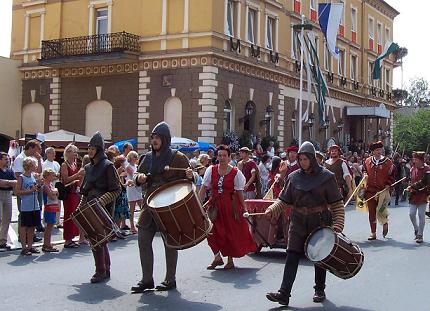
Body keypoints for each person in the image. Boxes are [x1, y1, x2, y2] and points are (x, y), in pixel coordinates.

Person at [265, 141, 345, 307]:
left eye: (305, 159)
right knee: (292, 255)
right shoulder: (293, 177)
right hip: (298, 220)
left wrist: (338, 225)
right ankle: (284, 293)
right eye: (300, 159)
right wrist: (272, 209)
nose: (302, 162)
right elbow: (284, 200)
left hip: (320, 220)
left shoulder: (326, 177)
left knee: (319, 256)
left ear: (312, 158)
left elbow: (337, 204)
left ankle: (319, 289)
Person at [131, 122, 193, 293]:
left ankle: (170, 279)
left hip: (169, 206)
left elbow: (190, 176)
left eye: (158, 137)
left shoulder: (178, 157)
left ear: (165, 139)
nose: (154, 140)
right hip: (149, 203)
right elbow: (137, 174)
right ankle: (147, 279)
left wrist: (191, 175)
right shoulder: (147, 157)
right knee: (143, 239)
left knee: (170, 242)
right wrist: (140, 177)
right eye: (153, 137)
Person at [199, 145, 256, 269]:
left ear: (229, 157)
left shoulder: (236, 173)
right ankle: (217, 257)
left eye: (224, 155)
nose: (222, 158)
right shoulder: (211, 170)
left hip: (230, 206)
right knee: (210, 231)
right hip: (214, 205)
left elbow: (240, 192)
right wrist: (198, 204)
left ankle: (230, 260)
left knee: (229, 232)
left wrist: (244, 208)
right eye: (219, 155)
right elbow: (204, 188)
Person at [79, 132, 121, 283]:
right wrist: (80, 208)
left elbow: (116, 189)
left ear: (99, 149)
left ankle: (101, 270)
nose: (90, 151)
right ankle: (104, 269)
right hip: (89, 206)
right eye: (88, 148)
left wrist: (101, 202)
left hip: (102, 207)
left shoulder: (108, 166)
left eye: (92, 148)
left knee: (99, 239)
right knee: (95, 239)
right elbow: (85, 190)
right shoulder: (89, 167)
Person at [362, 141, 395, 240]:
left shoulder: (388, 162)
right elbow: (364, 170)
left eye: (380, 150)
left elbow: (392, 175)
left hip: (383, 191)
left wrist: (388, 184)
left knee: (381, 210)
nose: (379, 152)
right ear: (372, 151)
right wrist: (364, 174)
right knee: (371, 212)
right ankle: (373, 232)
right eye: (376, 150)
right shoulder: (367, 161)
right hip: (370, 191)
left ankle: (384, 223)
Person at [15, 157, 42, 255]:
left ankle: (30, 246)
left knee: (32, 227)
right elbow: (17, 192)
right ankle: (24, 247)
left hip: (35, 205)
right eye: (34, 165)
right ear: (30, 166)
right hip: (26, 206)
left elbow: (35, 188)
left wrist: (38, 186)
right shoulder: (21, 177)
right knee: (24, 226)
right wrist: (30, 191)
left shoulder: (33, 176)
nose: (36, 167)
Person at [60, 144, 82, 248]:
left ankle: (72, 237)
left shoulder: (74, 164)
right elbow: (65, 180)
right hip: (68, 194)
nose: (76, 155)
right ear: (68, 153)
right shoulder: (64, 165)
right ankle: (67, 239)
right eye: (74, 152)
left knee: (74, 215)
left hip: (75, 192)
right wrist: (77, 175)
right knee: (68, 215)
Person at [406, 152, 430, 243]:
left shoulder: (427, 169)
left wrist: (412, 186)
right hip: (413, 195)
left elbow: (424, 182)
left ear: (420, 160)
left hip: (423, 194)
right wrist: (407, 182)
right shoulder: (412, 169)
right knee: (411, 214)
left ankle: (420, 235)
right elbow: (410, 179)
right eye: (413, 159)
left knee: (421, 215)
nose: (414, 161)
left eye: (415, 159)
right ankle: (416, 229)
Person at [0, 152, 17, 250]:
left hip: (8, 195)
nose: (8, 161)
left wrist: (6, 182)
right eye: (5, 159)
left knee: (7, 218)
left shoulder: (10, 171)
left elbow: (15, 182)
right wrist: (8, 183)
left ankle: (3, 241)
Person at [41, 168, 60, 252]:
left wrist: (55, 192)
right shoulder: (45, 185)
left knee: (51, 226)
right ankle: (46, 244)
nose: (54, 176)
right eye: (52, 175)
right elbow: (51, 196)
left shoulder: (51, 184)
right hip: (49, 207)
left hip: (53, 206)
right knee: (49, 226)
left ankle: (47, 243)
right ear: (47, 176)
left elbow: (56, 194)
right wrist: (55, 192)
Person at [42, 147, 61, 226]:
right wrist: (54, 177)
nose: (54, 154)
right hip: (48, 186)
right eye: (52, 152)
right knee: (48, 204)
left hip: (56, 185)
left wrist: (58, 176)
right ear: (47, 154)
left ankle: (57, 221)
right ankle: (46, 222)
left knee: (58, 203)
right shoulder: (44, 164)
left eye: (54, 152)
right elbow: (45, 176)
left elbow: (59, 173)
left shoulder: (56, 163)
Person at [125, 151, 142, 234]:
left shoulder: (137, 166)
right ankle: (132, 226)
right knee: (132, 208)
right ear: (130, 158)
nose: (136, 158)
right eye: (134, 156)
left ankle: (141, 224)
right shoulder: (128, 167)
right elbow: (134, 176)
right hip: (131, 188)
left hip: (137, 188)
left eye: (136, 156)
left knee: (142, 207)